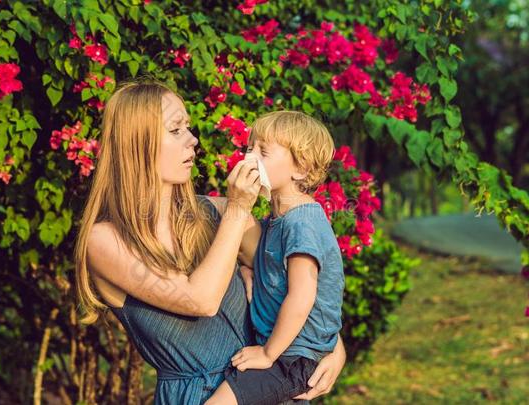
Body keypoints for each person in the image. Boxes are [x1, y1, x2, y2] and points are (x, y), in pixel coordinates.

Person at [73, 78, 347, 404]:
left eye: (188, 127)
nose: (193, 140)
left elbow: (297, 283)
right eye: (176, 130)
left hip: (266, 387)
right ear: (138, 143)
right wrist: (238, 209)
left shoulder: (215, 212)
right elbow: (200, 301)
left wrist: (331, 347)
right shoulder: (105, 241)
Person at [206, 112, 345, 405]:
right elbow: (272, 269)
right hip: (287, 351)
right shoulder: (277, 220)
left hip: (293, 358)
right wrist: (249, 269)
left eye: (263, 151)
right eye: (249, 148)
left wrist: (268, 353)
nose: (249, 158)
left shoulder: (301, 224)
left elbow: (302, 295)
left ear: (301, 169)